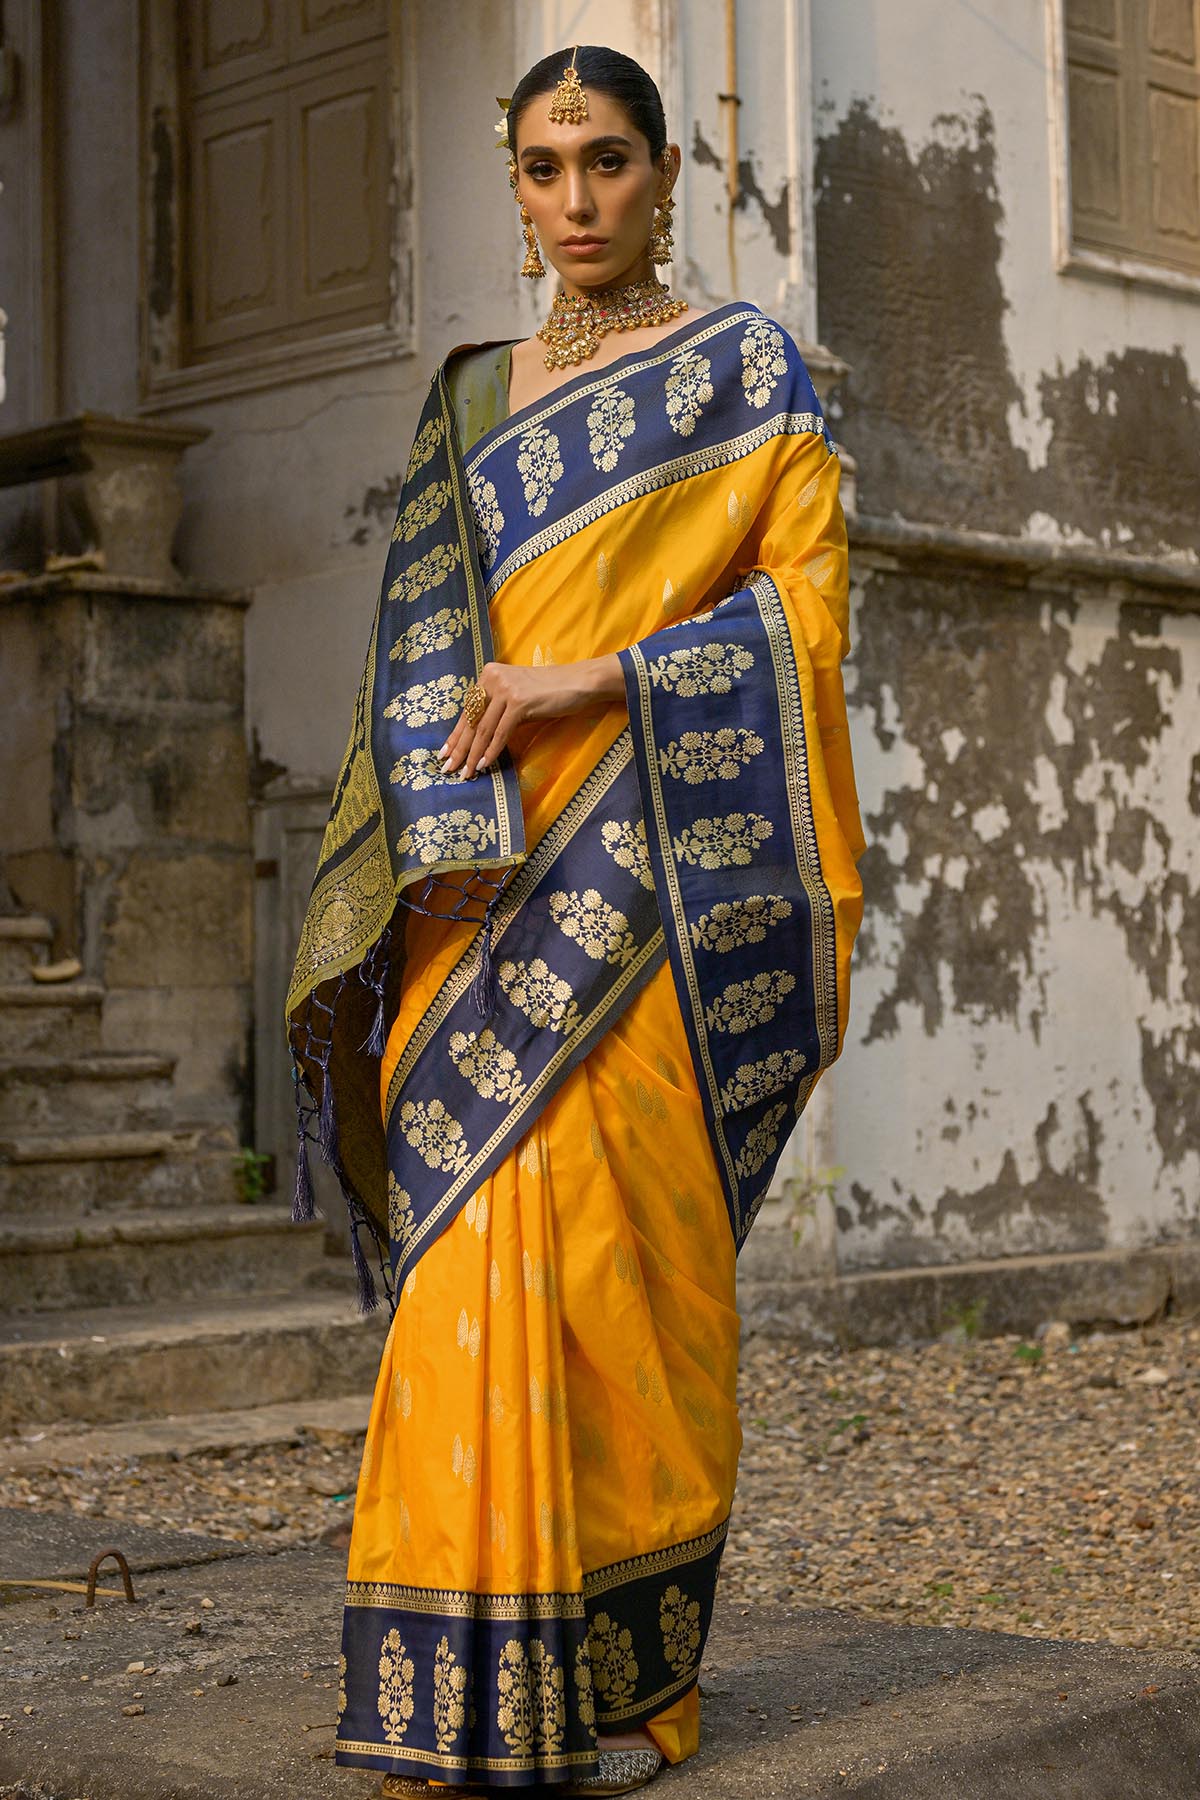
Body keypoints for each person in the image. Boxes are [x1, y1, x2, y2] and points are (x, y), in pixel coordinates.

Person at [286, 42, 865, 1798]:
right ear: (517, 188)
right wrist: (425, 842)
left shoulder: (746, 375)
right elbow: (412, 661)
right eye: (544, 169)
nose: (576, 200)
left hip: (651, 887)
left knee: (632, 1287)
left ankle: (629, 1689)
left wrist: (598, 678)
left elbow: (805, 624)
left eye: (607, 160)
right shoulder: (470, 399)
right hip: (481, 897)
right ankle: (458, 1688)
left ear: (666, 173)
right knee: (469, 1263)